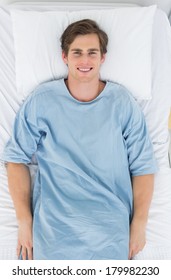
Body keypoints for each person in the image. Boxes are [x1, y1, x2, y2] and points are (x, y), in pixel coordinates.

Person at [2, 19, 157, 260]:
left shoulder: (122, 103)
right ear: (65, 57)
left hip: (110, 226)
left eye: (92, 53)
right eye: (77, 53)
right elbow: (15, 159)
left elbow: (143, 166)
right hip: (54, 227)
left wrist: (139, 223)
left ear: (102, 58)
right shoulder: (42, 100)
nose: (85, 61)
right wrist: (24, 221)